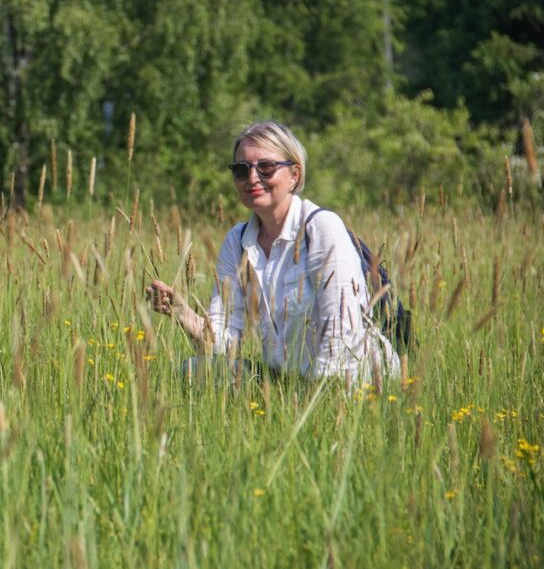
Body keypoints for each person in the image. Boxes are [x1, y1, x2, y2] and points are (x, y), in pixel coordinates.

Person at [146, 121, 399, 384]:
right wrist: (182, 313)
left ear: (294, 176)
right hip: (284, 381)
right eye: (241, 170)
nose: (253, 178)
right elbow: (222, 344)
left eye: (266, 167)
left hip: (350, 383)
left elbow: (342, 337)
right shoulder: (238, 241)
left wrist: (311, 407)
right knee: (196, 370)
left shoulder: (321, 229)